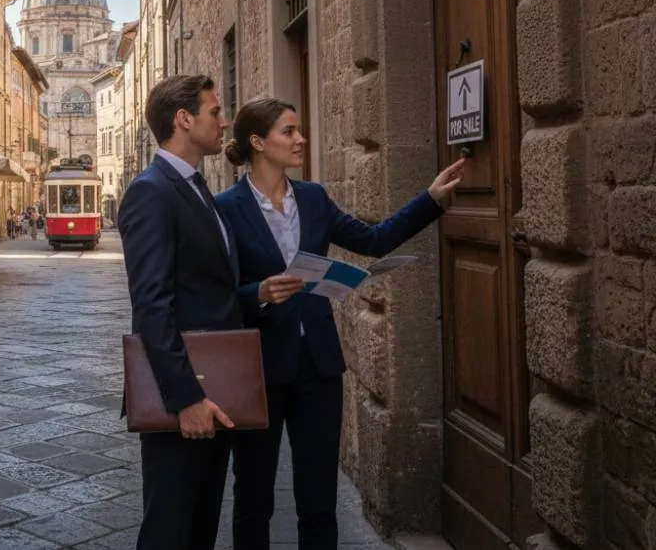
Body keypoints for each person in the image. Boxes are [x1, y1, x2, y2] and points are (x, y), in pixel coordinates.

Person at [214, 97, 465, 550]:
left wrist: (430, 200)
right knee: (253, 499)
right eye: (289, 131)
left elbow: (373, 240)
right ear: (257, 142)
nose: (300, 139)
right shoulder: (225, 208)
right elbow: (215, 295)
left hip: (318, 369)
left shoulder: (313, 198)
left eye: (299, 130)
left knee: (318, 500)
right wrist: (258, 294)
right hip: (256, 372)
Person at [117, 75, 243, 550]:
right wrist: (185, 397)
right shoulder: (152, 190)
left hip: (213, 389)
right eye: (215, 111)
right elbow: (152, 305)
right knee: (170, 529)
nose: (224, 120)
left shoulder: (193, 186)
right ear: (184, 119)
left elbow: (207, 287)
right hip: (186, 394)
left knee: (199, 527)